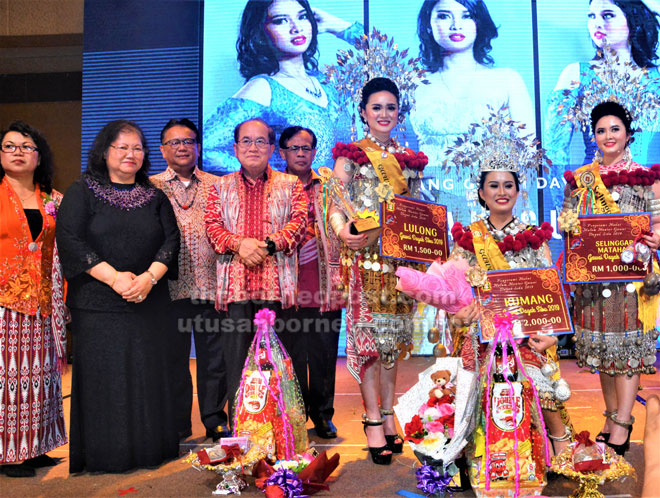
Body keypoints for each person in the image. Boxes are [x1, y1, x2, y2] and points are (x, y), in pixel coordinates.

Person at [56, 120, 180, 473]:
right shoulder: (82, 191)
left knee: (148, 374)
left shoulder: (155, 196)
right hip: (97, 305)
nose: (131, 154)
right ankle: (105, 457)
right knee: (104, 378)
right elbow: (71, 241)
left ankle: (150, 451)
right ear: (104, 151)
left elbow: (171, 242)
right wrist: (114, 279)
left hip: (149, 302)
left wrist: (148, 278)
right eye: (122, 147)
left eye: (138, 147)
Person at [330, 77, 428, 465]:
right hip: (365, 262)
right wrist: (343, 231)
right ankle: (371, 419)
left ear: (398, 113)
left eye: (391, 107)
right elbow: (335, 203)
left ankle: (389, 415)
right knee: (370, 344)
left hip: (398, 264)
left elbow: (417, 211)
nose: (384, 114)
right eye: (377, 108)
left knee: (392, 345)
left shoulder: (409, 160)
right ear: (364, 112)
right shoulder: (351, 156)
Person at [559, 101, 660, 455]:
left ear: (628, 134)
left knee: (628, 352)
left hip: (632, 283)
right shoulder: (582, 179)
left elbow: (659, 223)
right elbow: (569, 223)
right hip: (594, 282)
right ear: (594, 136)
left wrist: (656, 238)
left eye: (614, 129)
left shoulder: (648, 179)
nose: (608, 136)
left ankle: (623, 422)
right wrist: (568, 227)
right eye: (601, 130)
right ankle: (610, 416)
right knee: (603, 354)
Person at [204, 118, 307, 423]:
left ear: (272, 148)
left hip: (278, 290)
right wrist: (240, 245)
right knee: (238, 363)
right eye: (246, 141)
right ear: (235, 148)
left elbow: (299, 223)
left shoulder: (291, 185)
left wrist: (267, 245)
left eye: (260, 141)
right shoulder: (219, 187)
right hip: (235, 291)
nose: (253, 147)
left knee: (280, 362)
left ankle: (283, 426)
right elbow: (212, 227)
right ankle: (242, 427)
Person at [411, 0, 535, 225]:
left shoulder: (507, 80)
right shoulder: (413, 84)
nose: (456, 25)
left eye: (466, 16)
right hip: (428, 206)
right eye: (444, 16)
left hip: (490, 206)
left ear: (479, 22)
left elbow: (527, 154)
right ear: (428, 24)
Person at [204, 0, 361, 174]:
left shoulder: (329, 82)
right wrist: (270, 180)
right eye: (280, 20)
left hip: (345, 199)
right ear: (260, 32)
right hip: (296, 200)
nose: (296, 28)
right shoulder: (263, 88)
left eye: (302, 17)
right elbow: (206, 150)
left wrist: (338, 26)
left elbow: (388, 61)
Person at [150, 118, 230, 442]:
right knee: (172, 360)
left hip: (212, 287)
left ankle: (214, 420)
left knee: (215, 360)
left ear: (197, 146)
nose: (182, 147)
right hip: (167, 290)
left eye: (188, 141)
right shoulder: (150, 187)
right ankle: (177, 423)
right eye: (174, 142)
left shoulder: (219, 185)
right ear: (162, 149)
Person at [545, 0, 660, 210]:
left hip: (650, 197)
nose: (597, 23)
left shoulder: (656, 77)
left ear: (632, 19)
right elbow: (555, 151)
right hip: (594, 195)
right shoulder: (576, 74)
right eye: (591, 16)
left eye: (607, 15)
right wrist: (565, 210)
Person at [0, 121, 67, 477]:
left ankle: (36, 447)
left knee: (40, 377)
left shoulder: (53, 199)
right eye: (10, 146)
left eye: (26, 146)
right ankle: (8, 453)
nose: (18, 152)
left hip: (43, 302)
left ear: (39, 156)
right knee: (7, 380)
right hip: (3, 304)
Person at [277, 126, 343, 439]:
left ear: (315, 152)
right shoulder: (274, 188)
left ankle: (322, 415)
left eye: (306, 148)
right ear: (282, 153)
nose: (301, 154)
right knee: (291, 356)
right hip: (285, 288)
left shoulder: (328, 187)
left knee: (323, 355)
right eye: (294, 148)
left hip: (324, 287)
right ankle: (295, 417)